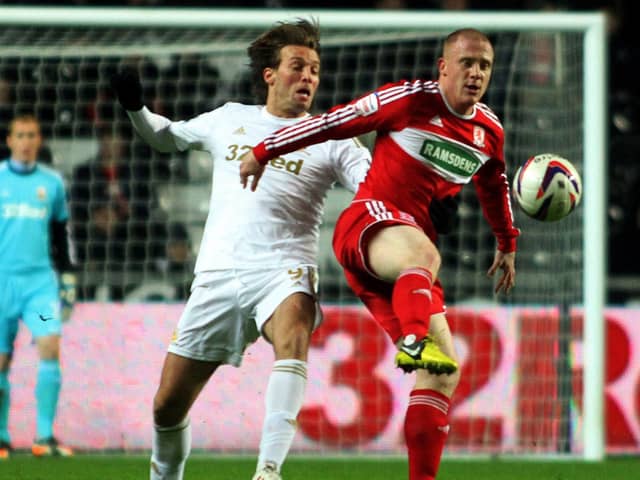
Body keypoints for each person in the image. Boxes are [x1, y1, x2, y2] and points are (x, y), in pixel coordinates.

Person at [239, 28, 519, 480]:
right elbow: (334, 122)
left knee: (443, 374)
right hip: (368, 226)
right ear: (443, 66)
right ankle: (412, 339)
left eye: (484, 65)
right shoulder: (408, 100)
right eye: (466, 62)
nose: (476, 73)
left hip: (403, 269)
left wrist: (507, 242)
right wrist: (265, 148)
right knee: (425, 257)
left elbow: (494, 185)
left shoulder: (488, 131)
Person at [110, 19, 373, 480]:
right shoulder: (230, 118)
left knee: (295, 326)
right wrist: (136, 108)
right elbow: (164, 136)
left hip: (283, 268)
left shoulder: (333, 137)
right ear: (270, 74)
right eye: (298, 66)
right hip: (217, 277)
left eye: (315, 68)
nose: (309, 76)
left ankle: (268, 472)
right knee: (167, 406)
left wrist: (419, 205)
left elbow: (375, 188)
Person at [0, 114, 76, 459]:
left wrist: (68, 277)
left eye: (32, 135)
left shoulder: (52, 183)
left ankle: (44, 437)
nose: (27, 141)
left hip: (40, 286)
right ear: (10, 141)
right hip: (2, 284)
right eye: (21, 135)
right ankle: (1, 438)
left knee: (49, 345)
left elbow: (61, 234)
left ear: (39, 140)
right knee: (2, 360)